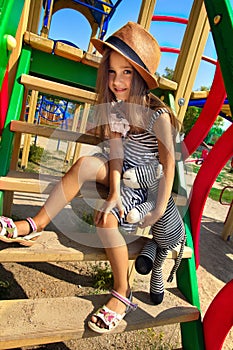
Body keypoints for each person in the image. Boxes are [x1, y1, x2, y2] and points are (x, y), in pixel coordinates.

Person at [0, 22, 184, 333]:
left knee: (105, 219)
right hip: (121, 174)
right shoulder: (115, 109)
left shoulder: (158, 116)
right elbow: (115, 155)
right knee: (85, 163)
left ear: (141, 76)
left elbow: (167, 168)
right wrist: (112, 191)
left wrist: (154, 211)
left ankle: (122, 290)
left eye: (126, 72)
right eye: (111, 72)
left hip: (144, 185)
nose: (117, 81)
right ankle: (36, 224)